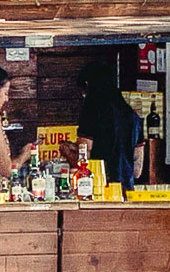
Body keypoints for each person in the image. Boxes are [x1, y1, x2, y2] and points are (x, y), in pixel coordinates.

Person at [60, 60, 144, 189]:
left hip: (99, 188)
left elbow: (84, 157)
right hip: (126, 191)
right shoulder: (133, 116)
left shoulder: (91, 111)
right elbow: (137, 170)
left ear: (87, 85)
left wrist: (67, 151)